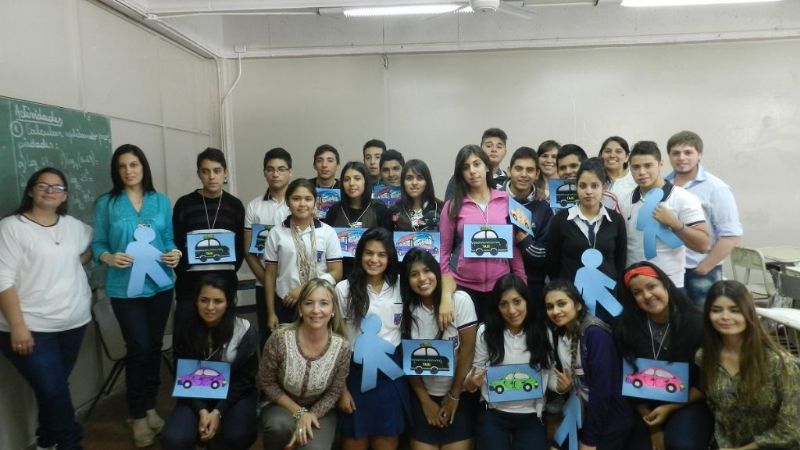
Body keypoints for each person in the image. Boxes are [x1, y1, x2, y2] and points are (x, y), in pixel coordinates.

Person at [93, 144, 180, 447]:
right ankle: (137, 415)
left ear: (144, 167)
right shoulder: (107, 203)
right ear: (116, 171)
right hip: (125, 289)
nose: (129, 171)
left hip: (160, 286)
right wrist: (108, 258)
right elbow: (97, 244)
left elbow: (167, 238)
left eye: (134, 165)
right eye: (122, 166)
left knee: (154, 346)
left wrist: (175, 253)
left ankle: (150, 406)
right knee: (139, 347)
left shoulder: (160, 201)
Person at [0, 168, 92, 450]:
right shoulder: (12, 227)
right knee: (54, 390)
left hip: (73, 324)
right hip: (30, 328)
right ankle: (69, 443)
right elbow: (3, 278)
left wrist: (76, 263)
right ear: (30, 190)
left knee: (52, 390)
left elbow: (92, 248)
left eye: (58, 187)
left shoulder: (74, 226)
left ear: (65, 195)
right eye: (43, 185)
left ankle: (46, 440)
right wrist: (17, 326)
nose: (50, 190)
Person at [615, 262, 713, 450]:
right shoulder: (626, 329)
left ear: (665, 284)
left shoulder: (697, 324)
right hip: (643, 405)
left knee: (682, 444)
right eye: (637, 292)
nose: (647, 296)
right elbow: (629, 381)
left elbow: (706, 382)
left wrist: (668, 409)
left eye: (651, 286)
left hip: (687, 401)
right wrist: (654, 428)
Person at [699, 280, 800, 450]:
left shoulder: (779, 362)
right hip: (726, 443)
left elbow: (792, 429)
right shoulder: (704, 357)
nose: (725, 317)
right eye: (716, 310)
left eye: (735, 310)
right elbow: (716, 409)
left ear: (748, 313)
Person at [160, 274, 258, 450]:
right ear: (196, 301)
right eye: (204, 300)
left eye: (218, 301)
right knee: (173, 439)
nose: (210, 307)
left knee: (239, 435)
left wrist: (218, 411)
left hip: (234, 393)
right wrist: (202, 410)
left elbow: (246, 380)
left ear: (228, 302)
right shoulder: (185, 329)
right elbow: (182, 375)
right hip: (195, 394)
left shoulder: (244, 331)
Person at [335, 227, 410, 450]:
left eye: (381, 254)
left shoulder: (400, 285)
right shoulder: (343, 289)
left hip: (390, 374)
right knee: (355, 438)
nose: (374, 259)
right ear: (359, 255)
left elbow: (441, 277)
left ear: (390, 257)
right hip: (355, 374)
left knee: (387, 438)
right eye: (369, 253)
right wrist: (341, 389)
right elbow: (336, 341)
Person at [400, 249, 478, 450]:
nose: (422, 279)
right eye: (414, 274)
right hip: (422, 395)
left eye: (427, 271)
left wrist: (454, 395)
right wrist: (425, 402)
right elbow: (408, 359)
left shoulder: (459, 301)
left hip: (459, 394)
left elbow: (468, 351)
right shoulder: (407, 309)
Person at [259, 278, 351, 450]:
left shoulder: (342, 347)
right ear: (300, 309)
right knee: (278, 427)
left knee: (314, 448)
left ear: (333, 310)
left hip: (321, 411)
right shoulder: (279, 338)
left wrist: (310, 415)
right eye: (309, 303)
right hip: (282, 405)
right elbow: (266, 381)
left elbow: (335, 391)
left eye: (324, 303)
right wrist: (300, 413)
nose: (316, 310)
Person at [463, 274, 552, 450]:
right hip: (494, 412)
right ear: (497, 307)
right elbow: (473, 378)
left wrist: (561, 386)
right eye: (504, 304)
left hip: (532, 414)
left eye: (517, 302)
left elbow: (549, 375)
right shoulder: (486, 332)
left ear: (527, 301)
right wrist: (471, 383)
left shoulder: (542, 331)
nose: (511, 311)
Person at [439, 145, 526, 322]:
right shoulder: (452, 206)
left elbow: (514, 246)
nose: (472, 171)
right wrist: (446, 294)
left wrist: (521, 283)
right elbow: (443, 251)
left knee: (496, 343)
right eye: (465, 167)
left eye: (476, 164)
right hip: (463, 287)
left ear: (486, 166)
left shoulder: (507, 201)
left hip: (501, 287)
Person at [543, 279, 633, 450]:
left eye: (561, 304)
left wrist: (589, 440)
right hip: (581, 411)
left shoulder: (595, 334)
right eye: (550, 306)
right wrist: (566, 386)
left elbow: (602, 390)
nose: (555, 311)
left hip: (610, 415)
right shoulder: (560, 333)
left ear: (577, 305)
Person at [665, 131, 743, 306]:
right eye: (676, 153)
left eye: (688, 152)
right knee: (676, 326)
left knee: (703, 326)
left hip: (699, 272)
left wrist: (705, 267)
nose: (681, 158)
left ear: (699, 155)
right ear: (669, 156)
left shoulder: (717, 188)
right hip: (669, 269)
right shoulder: (663, 185)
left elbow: (731, 235)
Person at [618, 141, 710, 288]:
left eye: (648, 165)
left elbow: (703, 245)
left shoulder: (683, 198)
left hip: (670, 284)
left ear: (660, 165)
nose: (642, 172)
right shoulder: (624, 201)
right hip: (633, 284)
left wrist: (676, 225)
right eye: (636, 167)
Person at [172, 147, 245, 329]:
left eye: (217, 171)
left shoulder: (235, 205)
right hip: (190, 287)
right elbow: (175, 241)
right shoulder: (184, 204)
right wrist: (183, 270)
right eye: (205, 171)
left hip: (224, 285)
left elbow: (240, 246)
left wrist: (227, 272)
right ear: (199, 174)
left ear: (225, 172)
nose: (211, 177)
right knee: (187, 339)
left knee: (223, 338)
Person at [263, 179, 343, 329]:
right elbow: (270, 275)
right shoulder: (276, 233)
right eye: (296, 199)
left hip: (319, 305)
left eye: (308, 199)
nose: (302, 204)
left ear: (315, 202)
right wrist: (271, 313)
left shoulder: (327, 232)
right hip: (287, 304)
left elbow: (337, 272)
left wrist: (304, 289)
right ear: (287, 201)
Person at [546, 158, 627, 287]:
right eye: (583, 186)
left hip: (607, 295)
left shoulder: (616, 220)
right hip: (571, 298)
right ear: (576, 187)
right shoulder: (560, 220)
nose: (588, 191)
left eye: (594, 186)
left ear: (604, 187)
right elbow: (552, 263)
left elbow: (620, 261)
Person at [243, 147, 293, 346]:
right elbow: (249, 252)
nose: (276, 174)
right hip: (264, 284)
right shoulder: (254, 207)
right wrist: (268, 282)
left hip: (296, 287)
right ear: (264, 173)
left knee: (297, 340)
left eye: (281, 169)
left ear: (290, 172)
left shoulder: (300, 203)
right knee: (269, 340)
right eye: (270, 169)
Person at [323, 161, 392, 277]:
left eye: (357, 178)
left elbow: (387, 245)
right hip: (340, 272)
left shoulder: (379, 209)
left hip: (372, 272)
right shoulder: (334, 210)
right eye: (346, 179)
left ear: (366, 181)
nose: (351, 183)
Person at [503, 146, 553, 305]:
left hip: (533, 285)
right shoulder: (494, 199)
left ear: (537, 173)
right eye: (518, 169)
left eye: (530, 170)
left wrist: (525, 242)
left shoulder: (543, 207)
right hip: (498, 282)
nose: (524, 174)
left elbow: (545, 255)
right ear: (509, 170)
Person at [444, 128, 509, 200]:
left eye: (499, 147)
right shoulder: (462, 178)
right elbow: (450, 205)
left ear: (505, 152)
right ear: (480, 149)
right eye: (489, 146)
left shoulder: (507, 182)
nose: (494, 150)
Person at [390, 159, 443, 232]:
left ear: (427, 182)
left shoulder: (440, 208)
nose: (414, 183)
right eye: (409, 178)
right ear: (403, 182)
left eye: (420, 178)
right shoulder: (394, 210)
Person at [599, 136, 636, 200]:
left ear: (627, 157)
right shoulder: (594, 177)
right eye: (607, 151)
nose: (612, 155)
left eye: (618, 151)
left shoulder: (635, 178)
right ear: (601, 155)